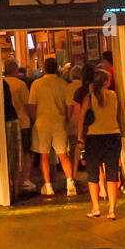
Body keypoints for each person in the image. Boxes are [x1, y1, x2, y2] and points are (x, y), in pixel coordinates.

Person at [80, 69, 125, 219]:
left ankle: (96, 208)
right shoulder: (114, 96)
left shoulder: (89, 98)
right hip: (113, 135)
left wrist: (80, 138)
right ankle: (112, 210)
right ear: (106, 82)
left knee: (92, 173)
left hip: (94, 138)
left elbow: (82, 119)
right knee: (112, 172)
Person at [30, 55, 76, 196]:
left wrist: (33, 120)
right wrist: (66, 120)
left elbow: (32, 106)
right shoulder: (63, 85)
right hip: (59, 122)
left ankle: (48, 186)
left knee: (44, 156)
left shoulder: (36, 84)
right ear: (56, 68)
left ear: (44, 68)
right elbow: (69, 106)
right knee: (63, 155)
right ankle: (70, 183)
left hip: (42, 123)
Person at [3, 58, 35, 194]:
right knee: (26, 151)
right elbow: (28, 104)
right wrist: (32, 118)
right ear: (16, 69)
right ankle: (25, 179)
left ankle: (10, 179)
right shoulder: (20, 85)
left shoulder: (2, 83)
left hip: (6, 122)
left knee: (10, 153)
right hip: (23, 121)